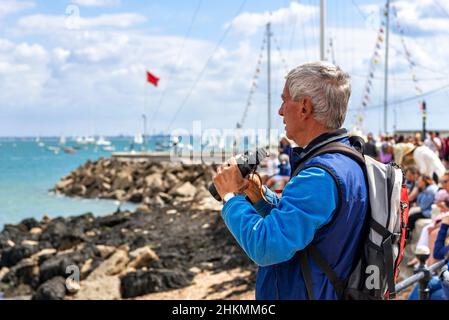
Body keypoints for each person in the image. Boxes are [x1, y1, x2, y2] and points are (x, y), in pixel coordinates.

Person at [213, 61, 368, 300]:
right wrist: (259, 195)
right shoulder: (348, 160)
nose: (280, 110)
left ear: (304, 107)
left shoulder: (319, 175)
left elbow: (266, 247)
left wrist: (230, 197)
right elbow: (309, 224)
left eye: (285, 100)